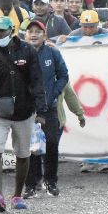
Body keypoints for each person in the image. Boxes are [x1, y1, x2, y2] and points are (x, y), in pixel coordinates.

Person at [0, 17, 48, 212]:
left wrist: (41, 111)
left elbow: (37, 81)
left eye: (2, 32)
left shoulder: (27, 51)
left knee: (23, 154)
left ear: (12, 30)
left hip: (25, 113)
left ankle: (17, 196)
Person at [23, 21, 68, 199]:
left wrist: (54, 93)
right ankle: (30, 185)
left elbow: (63, 75)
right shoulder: (20, 53)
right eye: (30, 31)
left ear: (44, 34)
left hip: (49, 108)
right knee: (30, 148)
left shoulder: (53, 52)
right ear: (25, 34)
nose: (34, 34)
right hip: (28, 109)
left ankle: (51, 182)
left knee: (51, 144)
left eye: (38, 31)